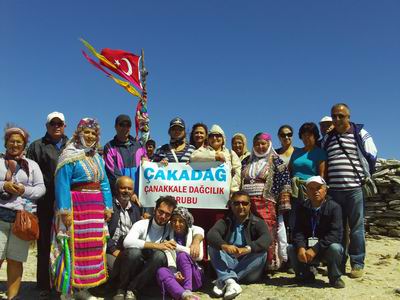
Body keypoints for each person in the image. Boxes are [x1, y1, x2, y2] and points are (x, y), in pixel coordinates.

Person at [52, 118, 112, 299]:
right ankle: (67, 290)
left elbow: (104, 183)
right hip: (75, 207)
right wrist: (64, 211)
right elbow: (62, 183)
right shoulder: (69, 155)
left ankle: (83, 289)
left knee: (91, 248)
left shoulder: (97, 158)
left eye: (94, 133)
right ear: (78, 133)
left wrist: (107, 206)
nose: (90, 136)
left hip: (94, 209)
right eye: (87, 132)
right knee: (72, 247)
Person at [322, 103, 377, 278]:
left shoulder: (360, 133)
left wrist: (363, 176)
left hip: (354, 189)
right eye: (334, 116)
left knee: (356, 228)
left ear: (348, 117)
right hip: (334, 191)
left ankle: (357, 263)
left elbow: (372, 155)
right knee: (337, 228)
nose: (337, 119)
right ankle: (338, 263)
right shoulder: (328, 138)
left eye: (341, 116)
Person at [0, 127, 46, 300]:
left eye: (19, 141)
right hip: (0, 215)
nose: (15, 144)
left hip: (22, 218)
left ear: (24, 145)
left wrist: (23, 190)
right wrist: (4, 186)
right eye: (12, 141)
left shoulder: (32, 165)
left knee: (15, 260)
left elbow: (41, 189)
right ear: (6, 143)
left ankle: (12, 297)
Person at [26, 112, 68, 300]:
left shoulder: (73, 145)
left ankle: (64, 283)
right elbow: (28, 175)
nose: (56, 126)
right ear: (47, 126)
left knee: (65, 242)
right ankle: (43, 284)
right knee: (44, 244)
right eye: (53, 123)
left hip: (67, 203)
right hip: (44, 202)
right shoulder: (36, 146)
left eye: (60, 123)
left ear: (65, 125)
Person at [110, 196, 180, 300]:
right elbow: (127, 242)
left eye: (167, 214)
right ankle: (121, 289)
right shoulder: (142, 224)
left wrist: (197, 240)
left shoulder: (170, 228)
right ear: (155, 209)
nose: (163, 216)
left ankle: (132, 289)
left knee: (160, 255)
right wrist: (156, 245)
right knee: (134, 252)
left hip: (151, 266)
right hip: (135, 262)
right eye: (161, 212)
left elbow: (194, 228)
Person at [241, 132, 291, 270]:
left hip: (266, 201)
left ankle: (269, 263)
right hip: (245, 203)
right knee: (247, 230)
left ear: (269, 145)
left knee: (267, 231)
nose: (260, 146)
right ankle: (249, 262)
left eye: (263, 144)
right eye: (257, 144)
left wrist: (284, 202)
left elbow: (285, 182)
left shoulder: (276, 161)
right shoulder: (246, 161)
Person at [207, 191, 270, 300]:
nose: (241, 206)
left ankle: (224, 279)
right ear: (231, 205)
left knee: (262, 253)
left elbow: (266, 239)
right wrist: (224, 245)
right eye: (236, 203)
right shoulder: (225, 221)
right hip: (228, 262)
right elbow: (212, 234)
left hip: (249, 268)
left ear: (250, 205)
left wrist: (247, 249)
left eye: (244, 203)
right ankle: (230, 281)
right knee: (213, 247)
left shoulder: (257, 222)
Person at [288, 176, 345, 288]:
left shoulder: (334, 207)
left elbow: (335, 234)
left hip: (325, 248)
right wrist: (301, 247)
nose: (315, 191)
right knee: (290, 248)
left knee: (336, 248)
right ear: (306, 191)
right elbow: (297, 231)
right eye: (311, 188)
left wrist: (315, 249)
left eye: (318, 188)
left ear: (325, 190)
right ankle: (304, 275)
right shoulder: (302, 207)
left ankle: (334, 277)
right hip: (307, 248)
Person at [190, 124, 242, 232]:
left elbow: (237, 171)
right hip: (203, 200)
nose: (215, 138)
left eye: (218, 136)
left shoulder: (230, 153)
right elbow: (193, 157)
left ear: (223, 139)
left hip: (222, 201)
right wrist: (214, 157)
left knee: (219, 230)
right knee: (200, 230)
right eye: (212, 136)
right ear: (208, 139)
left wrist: (233, 191)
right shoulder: (203, 150)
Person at [156, 207, 204, 300]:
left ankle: (187, 290)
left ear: (186, 222)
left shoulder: (195, 234)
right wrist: (174, 273)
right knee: (161, 271)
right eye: (174, 221)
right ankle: (184, 296)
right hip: (177, 279)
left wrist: (177, 247)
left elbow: (199, 257)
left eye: (181, 221)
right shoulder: (168, 235)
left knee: (182, 255)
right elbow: (169, 257)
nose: (177, 224)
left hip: (193, 278)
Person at [107, 176, 141, 274]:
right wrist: (113, 250)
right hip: (111, 250)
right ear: (117, 189)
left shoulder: (135, 209)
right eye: (123, 188)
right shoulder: (108, 207)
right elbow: (102, 232)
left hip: (129, 249)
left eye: (129, 189)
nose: (126, 191)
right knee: (116, 269)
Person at [103, 114, 144, 195]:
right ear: (115, 127)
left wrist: (160, 165)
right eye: (122, 125)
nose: (125, 128)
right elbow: (112, 172)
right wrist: (127, 190)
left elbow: (147, 166)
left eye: (128, 125)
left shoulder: (139, 146)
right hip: (119, 193)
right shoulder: (109, 147)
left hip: (139, 193)